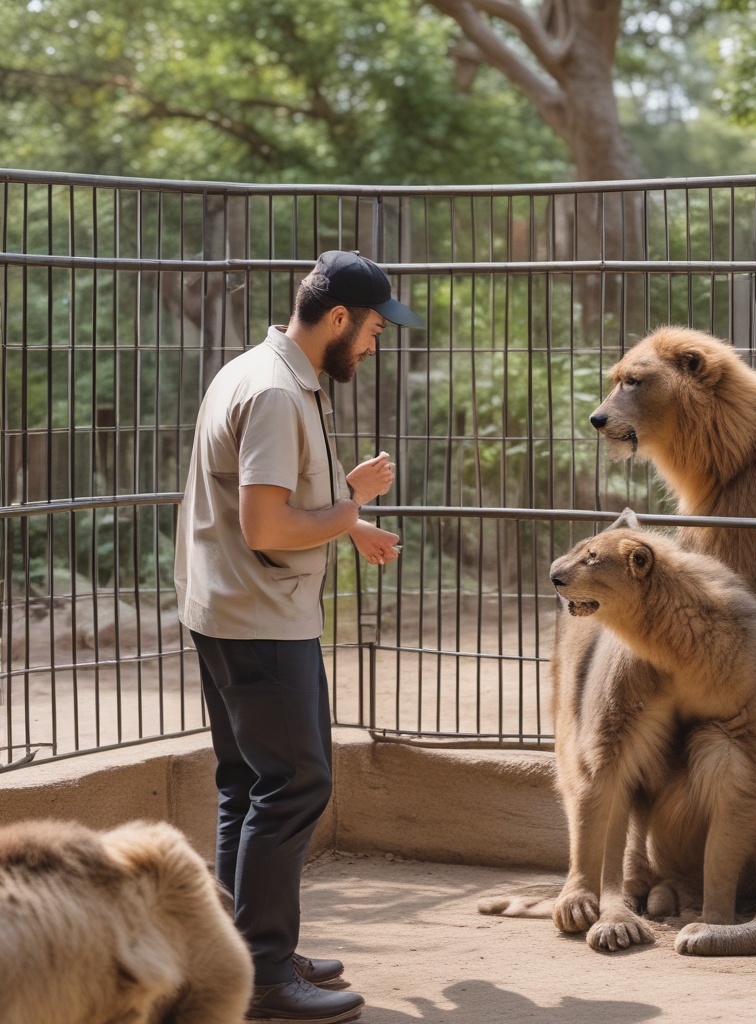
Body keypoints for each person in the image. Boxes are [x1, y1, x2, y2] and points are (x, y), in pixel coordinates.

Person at [174, 250, 422, 1024]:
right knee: (296, 785)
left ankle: (240, 953)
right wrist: (346, 512)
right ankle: (265, 978)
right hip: (262, 618)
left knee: (248, 783)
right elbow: (269, 525)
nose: (378, 344)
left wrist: (350, 518)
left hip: (226, 608)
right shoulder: (280, 394)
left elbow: (279, 504)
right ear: (339, 319)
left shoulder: (255, 368)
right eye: (376, 327)